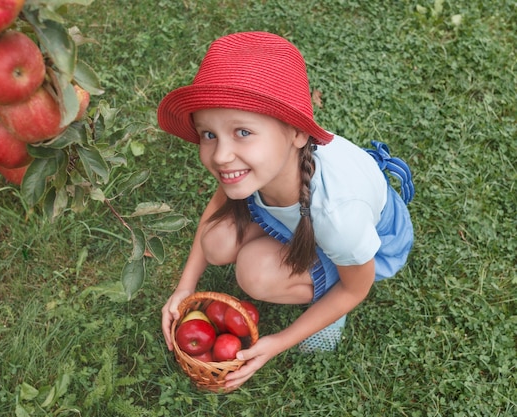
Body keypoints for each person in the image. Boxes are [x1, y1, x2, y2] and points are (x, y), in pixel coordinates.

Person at [157, 31, 414, 390]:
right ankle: (283, 235)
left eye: (243, 131)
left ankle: (325, 304)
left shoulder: (339, 217)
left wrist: (277, 342)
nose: (219, 156)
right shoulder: (258, 163)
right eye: (208, 134)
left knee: (255, 272)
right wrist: (185, 287)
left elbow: (358, 288)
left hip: (360, 244)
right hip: (297, 213)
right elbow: (220, 199)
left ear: (296, 134)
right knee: (216, 242)